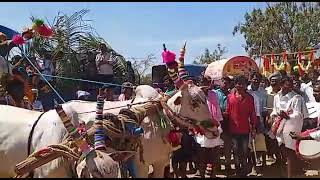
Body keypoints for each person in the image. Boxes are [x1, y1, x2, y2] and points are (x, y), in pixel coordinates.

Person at [270, 75, 307, 178]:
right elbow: (274, 110)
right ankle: (284, 173)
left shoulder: (296, 98)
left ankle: (291, 175)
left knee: (290, 152)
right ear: (281, 85)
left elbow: (298, 114)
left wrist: (287, 116)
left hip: (291, 126)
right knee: (282, 150)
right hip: (279, 126)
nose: (290, 87)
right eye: (287, 85)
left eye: (291, 85)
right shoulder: (277, 96)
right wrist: (273, 116)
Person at [225, 75, 257, 177]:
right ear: (235, 84)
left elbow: (252, 113)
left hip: (245, 130)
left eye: (242, 83)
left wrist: (254, 127)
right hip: (233, 130)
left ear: (245, 85)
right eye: (238, 83)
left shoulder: (250, 98)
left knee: (244, 151)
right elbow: (227, 112)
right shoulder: (230, 97)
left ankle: (243, 170)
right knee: (235, 151)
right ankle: (238, 170)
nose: (240, 85)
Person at [247, 71, 267, 174]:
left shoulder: (263, 92)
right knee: (250, 145)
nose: (256, 80)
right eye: (254, 78)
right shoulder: (246, 90)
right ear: (250, 79)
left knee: (260, 143)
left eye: (258, 79)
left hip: (259, 120)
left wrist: (262, 122)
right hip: (247, 120)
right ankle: (252, 166)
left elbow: (264, 109)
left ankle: (261, 165)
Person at [213, 76, 233, 174]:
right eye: (223, 82)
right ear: (220, 83)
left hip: (228, 123)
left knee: (227, 146)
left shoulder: (231, 94)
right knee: (216, 145)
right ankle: (217, 166)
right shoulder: (214, 93)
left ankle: (228, 165)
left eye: (227, 82)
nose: (225, 84)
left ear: (229, 84)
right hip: (217, 123)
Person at [264, 72, 283, 165]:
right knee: (272, 141)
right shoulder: (266, 91)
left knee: (282, 141)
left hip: (283, 120)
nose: (274, 83)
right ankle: (278, 159)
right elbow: (265, 107)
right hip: (271, 121)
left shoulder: (284, 92)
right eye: (272, 81)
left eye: (276, 81)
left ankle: (283, 159)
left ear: (280, 82)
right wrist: (268, 118)